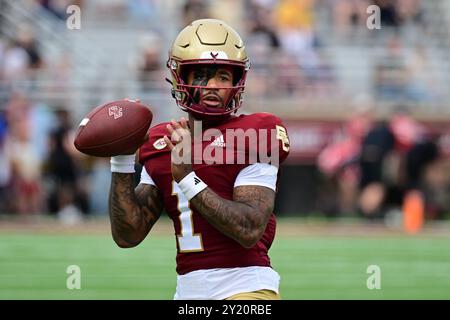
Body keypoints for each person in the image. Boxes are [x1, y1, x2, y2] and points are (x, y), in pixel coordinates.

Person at [108, 19, 290, 300]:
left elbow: (249, 228)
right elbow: (128, 235)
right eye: (202, 76)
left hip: (246, 288)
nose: (214, 86)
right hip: (187, 293)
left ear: (237, 82)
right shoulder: (161, 141)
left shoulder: (255, 133)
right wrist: (120, 160)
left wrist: (187, 177)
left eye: (224, 77)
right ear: (182, 78)